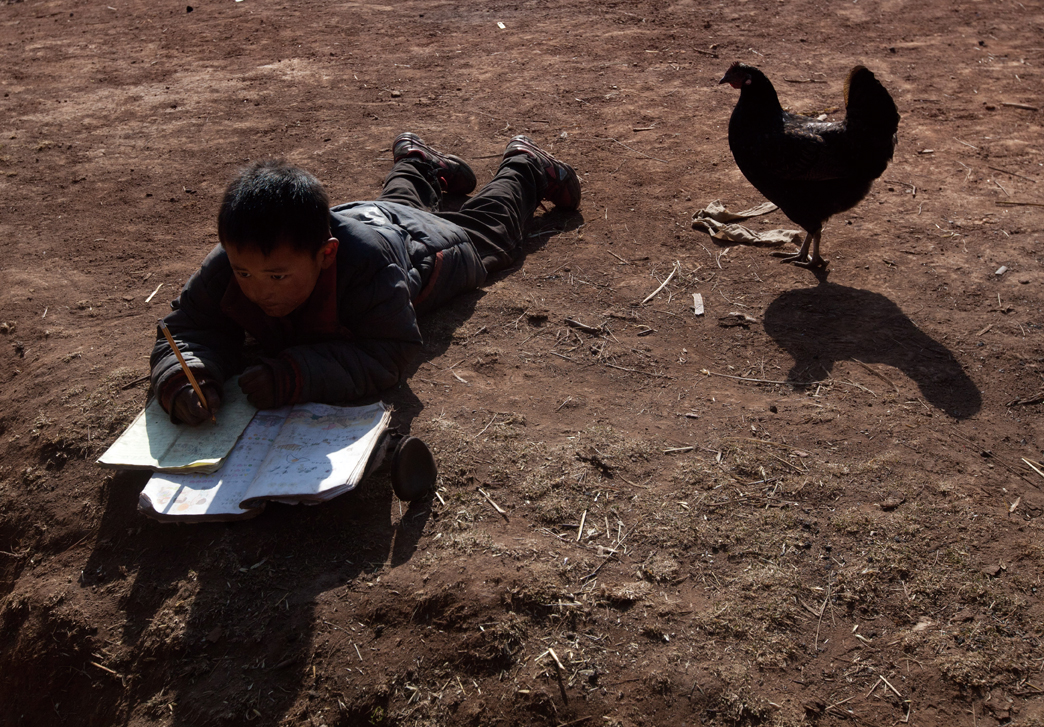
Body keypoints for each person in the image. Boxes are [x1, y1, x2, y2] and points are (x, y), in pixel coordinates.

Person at [150, 134, 581, 425]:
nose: (259, 289)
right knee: (391, 207)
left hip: (428, 248)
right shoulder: (233, 259)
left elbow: (389, 352)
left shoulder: (366, 268)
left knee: (489, 233)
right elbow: (187, 327)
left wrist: (296, 375)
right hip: (368, 217)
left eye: (278, 276)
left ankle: (526, 165)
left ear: (325, 255)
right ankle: (417, 163)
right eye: (245, 273)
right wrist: (186, 375)